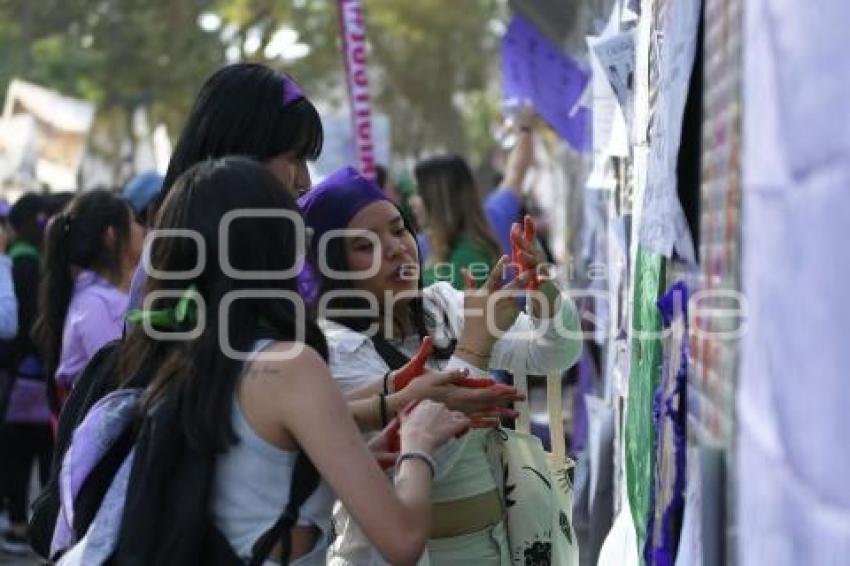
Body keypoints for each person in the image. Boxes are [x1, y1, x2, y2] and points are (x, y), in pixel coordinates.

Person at [117, 157, 470, 565]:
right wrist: (419, 443)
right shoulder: (289, 364)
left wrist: (386, 400)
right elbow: (403, 539)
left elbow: (246, 477)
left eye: (399, 228)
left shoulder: (169, 350)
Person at [300, 166, 583, 565]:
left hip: (502, 546)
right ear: (333, 265)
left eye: (399, 229)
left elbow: (554, 354)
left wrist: (542, 289)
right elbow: (431, 458)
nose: (397, 248)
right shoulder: (332, 353)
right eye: (366, 244)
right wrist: (475, 348)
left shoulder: (439, 306)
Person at [33, 190, 143, 408]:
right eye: (133, 222)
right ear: (111, 236)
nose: (142, 230)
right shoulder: (95, 305)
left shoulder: (101, 297)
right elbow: (120, 381)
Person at [0, 193, 50, 554]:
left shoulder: (21, 262)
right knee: (26, 451)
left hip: (19, 375)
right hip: (23, 375)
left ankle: (23, 522)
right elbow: (11, 324)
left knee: (23, 451)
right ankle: (22, 523)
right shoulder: (23, 264)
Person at [413, 155, 502, 289]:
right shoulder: (447, 249)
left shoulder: (469, 256)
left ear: (441, 201)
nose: (412, 201)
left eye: (419, 193)